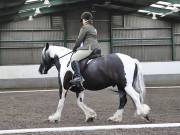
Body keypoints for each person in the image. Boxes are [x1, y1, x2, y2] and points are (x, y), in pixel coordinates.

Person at [70, 11, 100, 85]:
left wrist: (74, 48)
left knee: (74, 58)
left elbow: (79, 40)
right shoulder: (93, 28)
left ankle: (78, 77)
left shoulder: (85, 27)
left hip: (89, 48)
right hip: (97, 48)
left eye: (82, 20)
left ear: (84, 19)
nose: (82, 22)